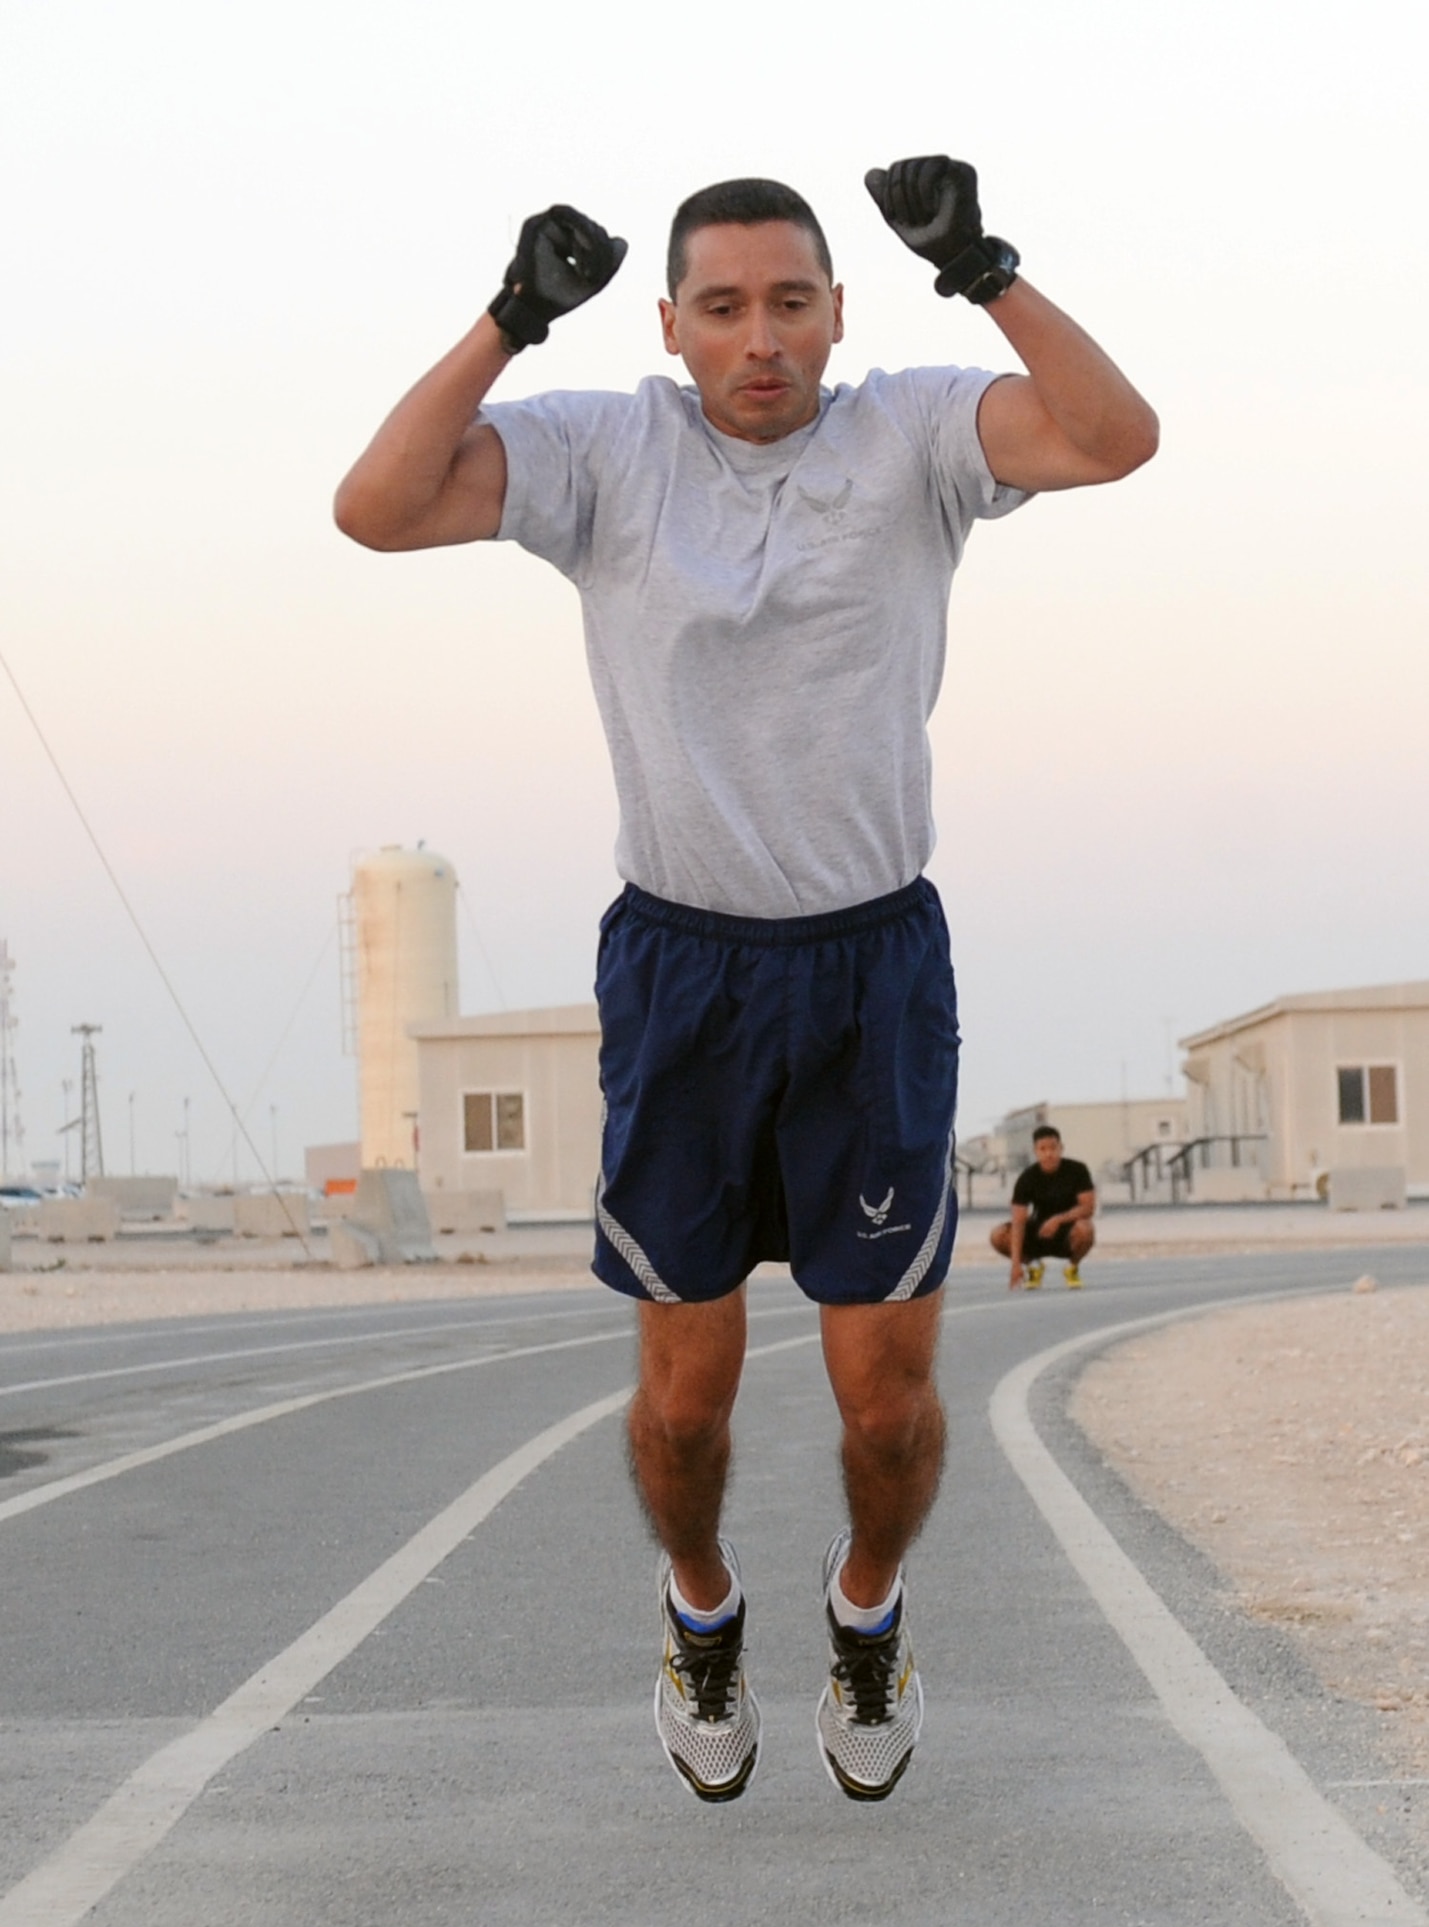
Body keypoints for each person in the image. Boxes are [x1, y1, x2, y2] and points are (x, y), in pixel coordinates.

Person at [334, 158, 1157, 1802]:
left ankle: (866, 1612)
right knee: (682, 1405)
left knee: (881, 1402)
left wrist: (982, 266)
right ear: (672, 324)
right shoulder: (603, 447)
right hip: (682, 971)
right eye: (722, 308)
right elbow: (376, 505)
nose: (758, 338)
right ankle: (698, 1608)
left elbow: (1111, 435)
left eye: (790, 302)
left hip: (868, 970)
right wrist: (508, 320)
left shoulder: (912, 433)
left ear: (837, 311)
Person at [990, 1124, 1097, 1288]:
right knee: (998, 1235)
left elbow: (1088, 1208)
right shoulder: (1027, 1178)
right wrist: (1016, 1264)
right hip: (1038, 1232)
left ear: (1061, 1148)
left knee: (1086, 1229)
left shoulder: (1077, 1170)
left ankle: (1072, 1267)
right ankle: (1033, 1266)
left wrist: (1058, 1220)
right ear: (1035, 1151)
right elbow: (1018, 1221)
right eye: (1043, 1149)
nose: (1049, 1154)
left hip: (1068, 1231)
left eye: (1053, 1148)